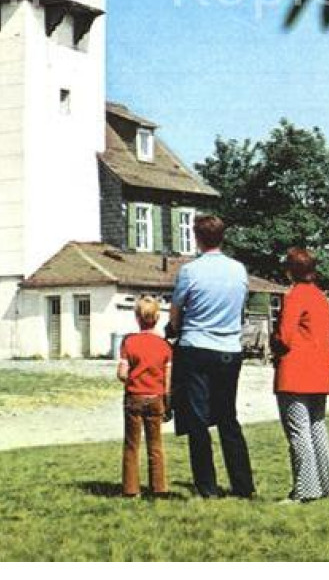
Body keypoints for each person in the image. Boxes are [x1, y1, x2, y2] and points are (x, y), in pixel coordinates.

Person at [169, 214, 255, 499]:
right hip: (229, 349)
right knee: (228, 418)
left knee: (197, 420)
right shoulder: (238, 270)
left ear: (197, 238)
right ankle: (243, 485)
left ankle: (207, 486)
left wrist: (173, 329)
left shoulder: (190, 271)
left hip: (196, 347)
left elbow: (177, 311)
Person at [271, 247, 329, 504]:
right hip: (320, 373)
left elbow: (285, 337)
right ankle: (324, 486)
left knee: (299, 433)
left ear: (291, 271)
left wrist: (274, 343)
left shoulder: (295, 296)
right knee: (317, 427)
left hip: (296, 373)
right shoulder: (322, 297)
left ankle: (304, 490)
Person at [118, 294, 173, 498]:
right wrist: (168, 402)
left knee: (132, 444)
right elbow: (168, 380)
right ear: (158, 318)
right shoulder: (165, 346)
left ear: (136, 318)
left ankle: (131, 488)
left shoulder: (129, 343)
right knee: (155, 444)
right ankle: (159, 488)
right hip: (156, 398)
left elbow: (122, 373)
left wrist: (131, 379)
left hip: (134, 397)